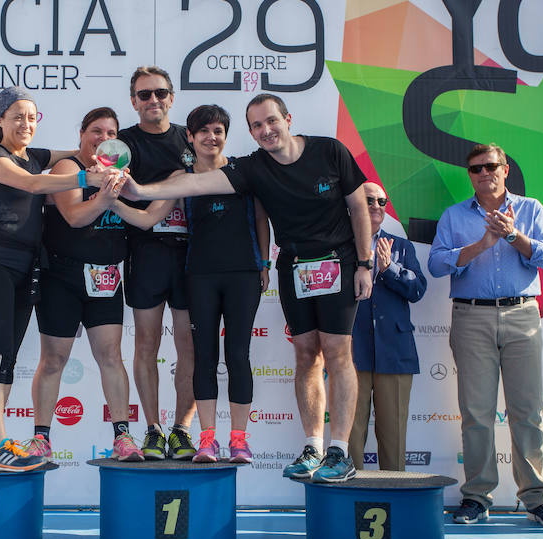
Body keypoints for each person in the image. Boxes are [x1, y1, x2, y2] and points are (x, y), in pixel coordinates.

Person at [114, 93, 373, 482]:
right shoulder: (252, 168)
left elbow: (357, 206)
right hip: (290, 266)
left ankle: (339, 450)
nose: (266, 130)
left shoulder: (329, 151)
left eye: (271, 121)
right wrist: (133, 192)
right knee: (305, 354)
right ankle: (311, 447)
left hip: (337, 261)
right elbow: (197, 185)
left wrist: (365, 262)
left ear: (288, 119)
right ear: (250, 132)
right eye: (257, 125)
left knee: (336, 352)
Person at [0, 86, 119, 471]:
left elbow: (77, 154)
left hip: (25, 267)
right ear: (0, 119)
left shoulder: (34, 155)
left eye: (32, 117)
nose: (26, 124)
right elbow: (33, 184)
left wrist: (102, 155)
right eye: (17, 116)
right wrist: (85, 177)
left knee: (9, 356)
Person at [428, 143, 543, 527]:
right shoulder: (455, 216)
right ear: (469, 175)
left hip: (523, 313)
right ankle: (476, 496)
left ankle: (538, 497)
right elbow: (437, 264)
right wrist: (480, 245)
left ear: (505, 169)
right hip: (471, 317)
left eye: (491, 166)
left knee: (527, 410)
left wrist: (514, 237)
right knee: (476, 413)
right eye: (475, 169)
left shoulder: (531, 209)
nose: (483, 173)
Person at [27, 107, 143, 462]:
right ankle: (41, 438)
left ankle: (123, 436)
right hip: (62, 276)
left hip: (106, 277)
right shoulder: (67, 169)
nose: (104, 139)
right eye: (96, 131)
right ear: (82, 133)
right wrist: (105, 197)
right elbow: (75, 217)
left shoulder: (121, 175)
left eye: (111, 133)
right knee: (53, 360)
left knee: (111, 356)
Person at [117, 66, 197, 460]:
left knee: (190, 347)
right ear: (133, 101)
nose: (153, 101)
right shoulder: (122, 143)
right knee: (146, 344)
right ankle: (152, 429)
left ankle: (181, 430)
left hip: (191, 255)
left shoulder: (191, 138)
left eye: (160, 93)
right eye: (144, 95)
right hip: (145, 253)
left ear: (171, 96)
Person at [348, 182, 426, 471]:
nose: (377, 206)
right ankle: (350, 493)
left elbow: (418, 290)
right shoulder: (340, 247)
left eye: (382, 201)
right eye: (369, 200)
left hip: (394, 352)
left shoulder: (400, 247)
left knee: (393, 436)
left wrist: (388, 269)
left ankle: (395, 491)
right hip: (351, 352)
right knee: (350, 434)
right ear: (354, 204)